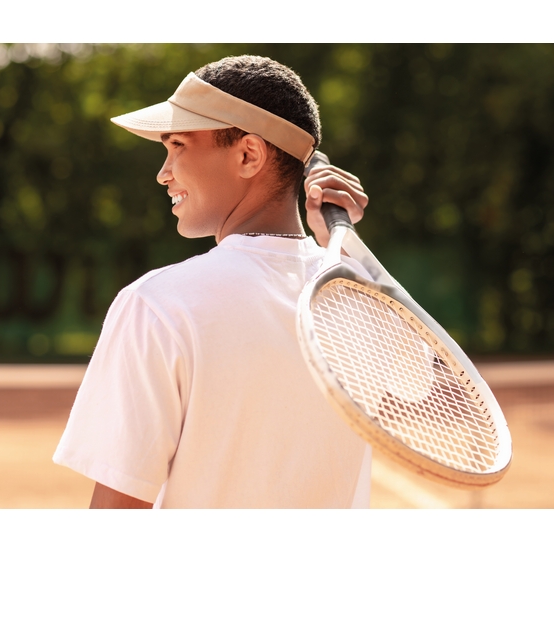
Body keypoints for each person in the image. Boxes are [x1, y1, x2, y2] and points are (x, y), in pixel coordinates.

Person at [53, 55, 373, 508]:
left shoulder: (157, 305)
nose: (163, 173)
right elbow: (439, 396)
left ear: (248, 154)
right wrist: (345, 255)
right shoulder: (361, 301)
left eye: (178, 145)